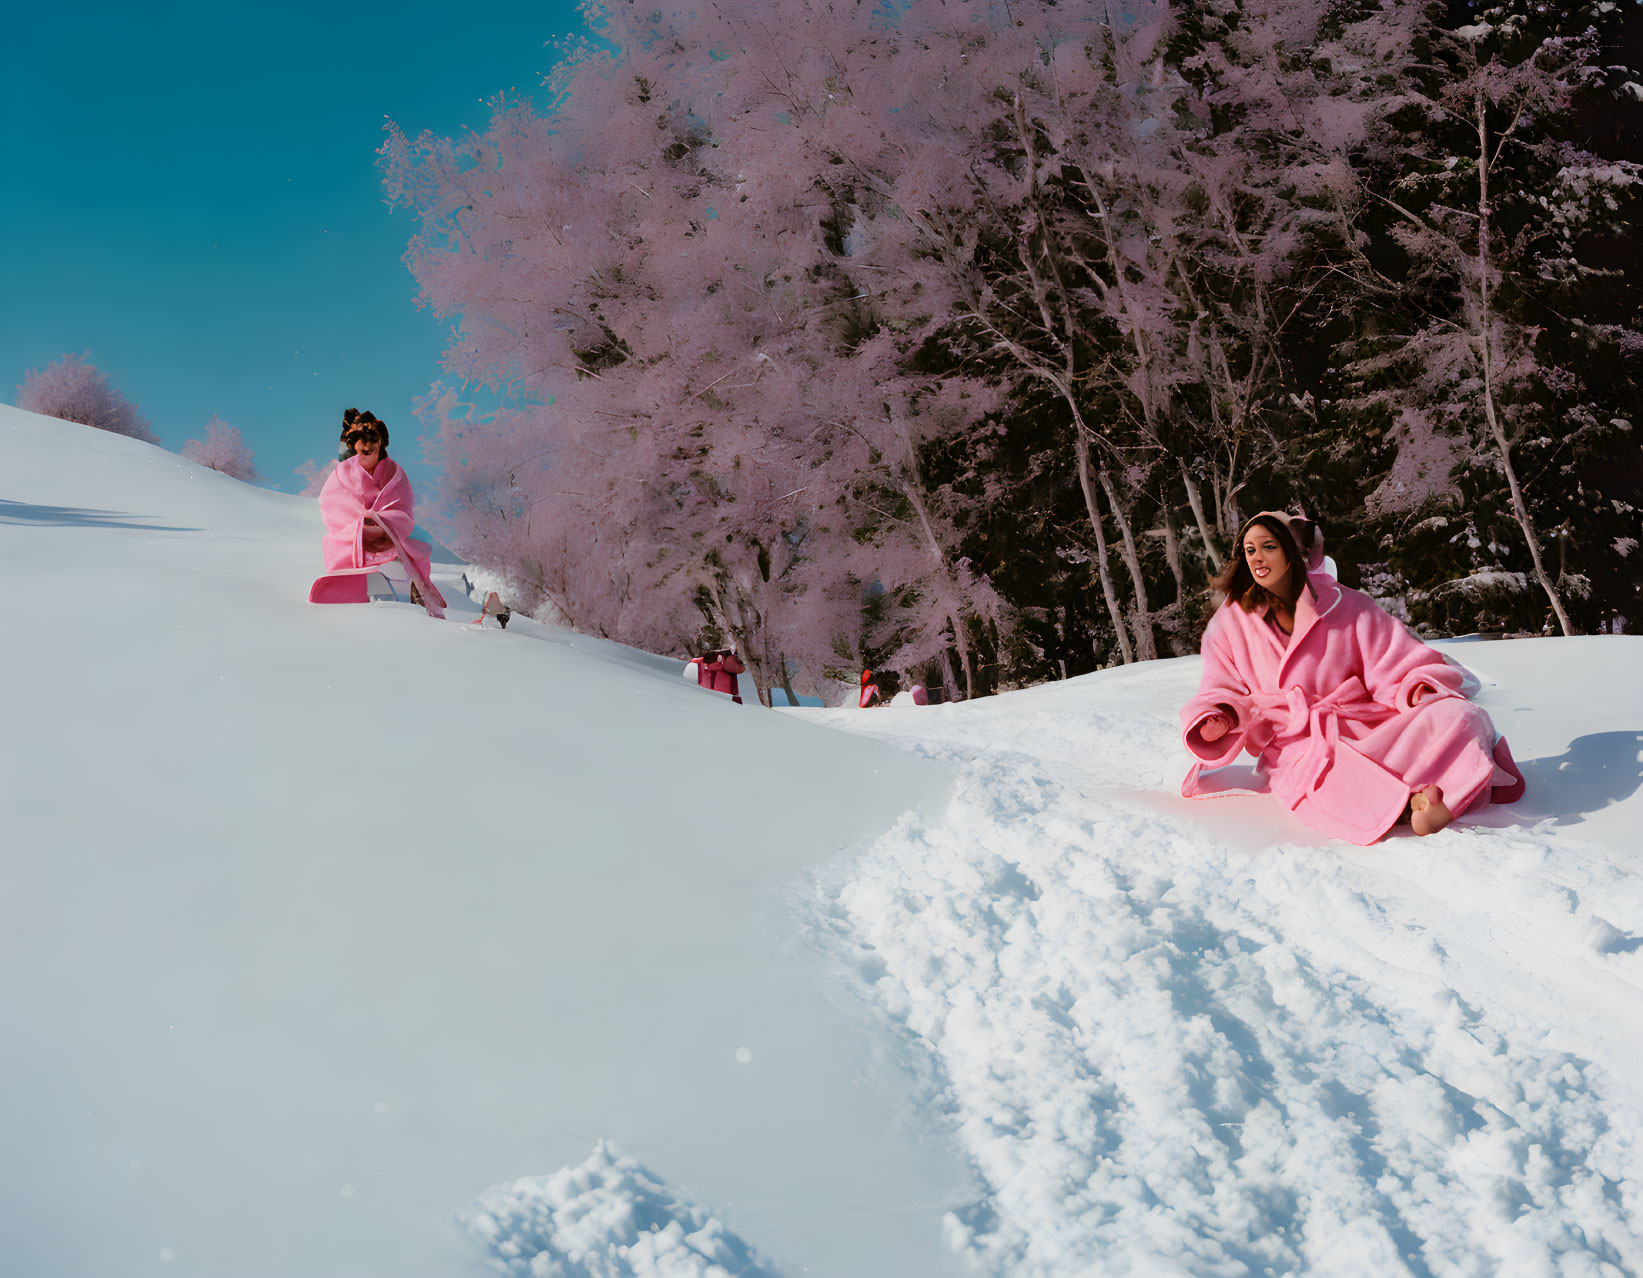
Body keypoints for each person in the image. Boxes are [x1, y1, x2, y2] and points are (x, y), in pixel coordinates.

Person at [1181, 510, 1525, 844]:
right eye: (1250, 549)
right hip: (1298, 743)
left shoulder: (1348, 605)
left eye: (1269, 546)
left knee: (1462, 716)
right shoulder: (1231, 620)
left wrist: (1416, 687)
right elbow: (1220, 684)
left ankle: (1432, 794)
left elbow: (1395, 659)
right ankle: (1415, 805)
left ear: (1294, 551)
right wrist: (1221, 716)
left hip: (1368, 725)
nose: (1257, 557)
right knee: (1327, 775)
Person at [316, 408, 444, 611]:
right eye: (362, 450)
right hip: (354, 527)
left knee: (420, 544)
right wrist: (360, 518)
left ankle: (418, 588)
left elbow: (401, 503)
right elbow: (334, 502)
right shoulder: (344, 470)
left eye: (372, 448)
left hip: (388, 526)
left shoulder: (392, 471)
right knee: (336, 545)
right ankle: (350, 587)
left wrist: (382, 517)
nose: (366, 452)